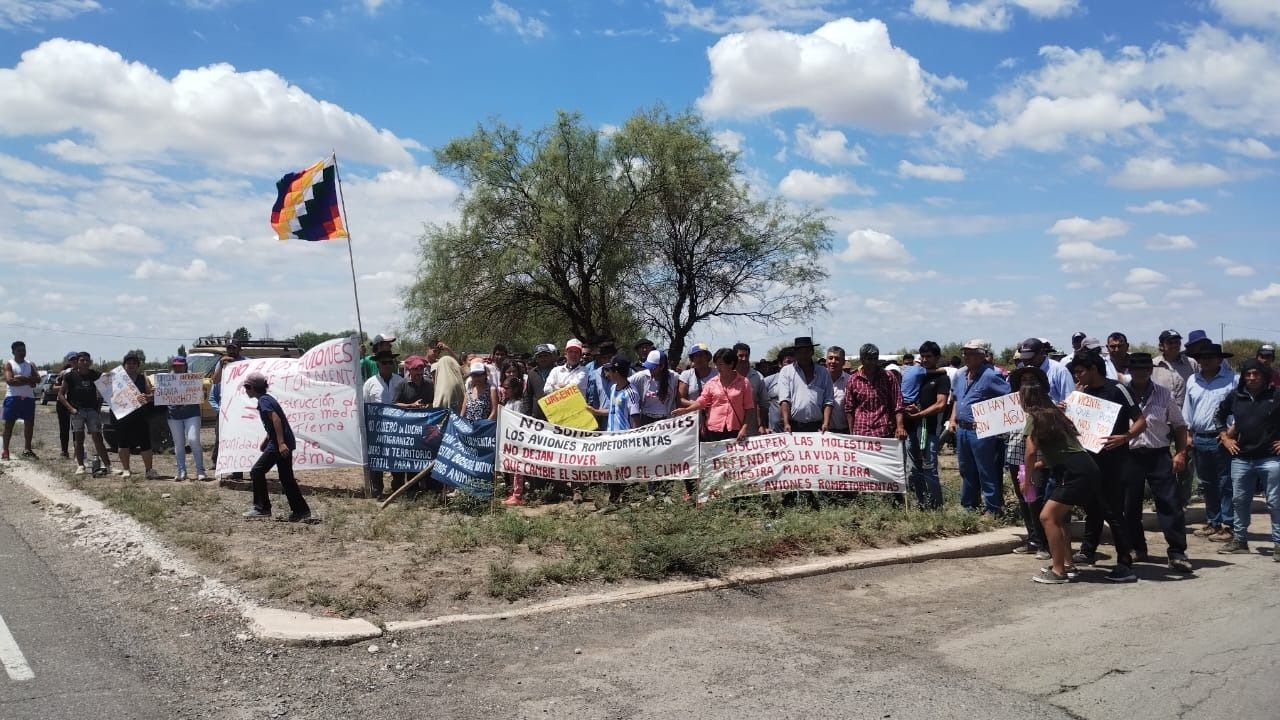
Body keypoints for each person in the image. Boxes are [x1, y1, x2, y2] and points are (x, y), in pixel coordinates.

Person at [1015, 366, 1098, 584]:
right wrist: (1043, 464)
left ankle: (1058, 571)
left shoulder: (1034, 417)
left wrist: (1028, 479)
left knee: (1047, 517)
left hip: (1074, 472)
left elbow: (1030, 452)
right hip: (1082, 467)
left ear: (1027, 400)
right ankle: (1068, 565)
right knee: (1058, 518)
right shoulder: (1054, 414)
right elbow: (1062, 450)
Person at [1068, 351, 1144, 583]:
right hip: (1090, 459)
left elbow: (1141, 421)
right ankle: (1087, 551)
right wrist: (1071, 404)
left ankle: (1124, 562)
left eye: (1080, 372)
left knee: (1112, 510)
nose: (1077, 376)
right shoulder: (1083, 393)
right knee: (1092, 507)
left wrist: (1125, 437)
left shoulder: (1117, 389)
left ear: (1094, 369)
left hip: (1114, 461)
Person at [1126, 353, 1192, 572]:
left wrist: (1180, 453)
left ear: (1150, 370)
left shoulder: (1164, 394)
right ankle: (1137, 548)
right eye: (1135, 368)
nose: (1140, 372)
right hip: (1130, 455)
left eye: (1145, 368)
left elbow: (1180, 426)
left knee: (1170, 504)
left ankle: (1177, 552)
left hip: (1158, 454)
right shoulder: (1121, 394)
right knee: (1129, 505)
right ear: (1130, 370)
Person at [1216, 359, 1280, 556]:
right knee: (1240, 500)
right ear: (1243, 376)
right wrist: (1225, 437)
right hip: (1241, 458)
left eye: (1256, 374)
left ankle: (1278, 544)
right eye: (1248, 374)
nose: (1252, 378)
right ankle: (1240, 541)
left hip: (1270, 458)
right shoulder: (1235, 396)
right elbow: (1219, 416)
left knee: (1275, 502)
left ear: (1264, 376)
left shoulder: (1276, 396)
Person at [676, 347, 756, 499]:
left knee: (732, 465)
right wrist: (685, 411)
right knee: (713, 466)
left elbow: (749, 409)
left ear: (732, 364)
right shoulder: (712, 383)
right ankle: (712, 497)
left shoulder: (744, 383)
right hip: (712, 430)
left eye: (722, 364)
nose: (718, 368)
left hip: (734, 430)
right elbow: (702, 402)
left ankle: (734, 498)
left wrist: (744, 429)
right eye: (717, 364)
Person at [947, 339, 1011, 515]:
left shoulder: (991, 375)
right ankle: (969, 506)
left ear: (982, 355)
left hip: (982, 430)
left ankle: (993, 508)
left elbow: (1008, 401)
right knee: (966, 469)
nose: (967, 357)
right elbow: (957, 399)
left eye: (972, 353)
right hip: (962, 429)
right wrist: (953, 419)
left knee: (986, 469)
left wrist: (990, 420)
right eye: (965, 353)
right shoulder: (960, 375)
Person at [240, 373, 313, 522]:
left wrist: (279, 443)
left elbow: (276, 419)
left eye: (247, 387)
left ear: (252, 388)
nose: (246, 390)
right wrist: (267, 440)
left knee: (257, 471)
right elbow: (273, 423)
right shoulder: (267, 399)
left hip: (280, 444)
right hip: (282, 441)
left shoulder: (264, 401)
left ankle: (262, 508)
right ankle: (301, 511)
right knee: (286, 478)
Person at [1184, 343, 1238, 542]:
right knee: (1207, 483)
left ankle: (1228, 524)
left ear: (1219, 359)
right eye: (1202, 357)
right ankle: (1213, 522)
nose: (1205, 360)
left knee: (1226, 482)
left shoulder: (1232, 380)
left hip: (1222, 437)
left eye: (1211, 357)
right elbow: (1187, 410)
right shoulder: (1193, 380)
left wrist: (1230, 433)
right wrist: (1188, 435)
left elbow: (1239, 409)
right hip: (1200, 437)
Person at [905, 341, 951, 510]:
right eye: (922, 356)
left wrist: (920, 414)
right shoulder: (919, 374)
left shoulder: (942, 378)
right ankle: (921, 502)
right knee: (914, 469)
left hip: (928, 430)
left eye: (929, 356)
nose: (925, 359)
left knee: (929, 467)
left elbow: (940, 404)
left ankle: (936, 506)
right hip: (911, 428)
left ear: (937, 357)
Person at [363, 349, 404, 498]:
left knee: (397, 456)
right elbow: (365, 407)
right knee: (377, 457)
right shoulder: (369, 384)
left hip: (397, 427)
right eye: (383, 362)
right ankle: (377, 488)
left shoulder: (400, 381)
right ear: (378, 364)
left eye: (389, 362)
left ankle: (398, 486)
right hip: (377, 429)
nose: (387, 365)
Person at [114, 353, 158, 479]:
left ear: (138, 365)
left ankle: (149, 470)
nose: (131, 365)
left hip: (140, 415)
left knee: (145, 443)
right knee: (122, 443)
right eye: (129, 363)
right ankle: (126, 469)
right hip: (122, 415)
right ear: (124, 365)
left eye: (134, 363)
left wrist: (148, 397)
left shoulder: (143, 378)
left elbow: (151, 396)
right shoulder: (117, 379)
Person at [778, 337, 834, 433]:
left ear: (812, 352)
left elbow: (828, 401)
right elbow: (784, 400)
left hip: (818, 427)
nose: (803, 355)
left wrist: (826, 423)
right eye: (800, 352)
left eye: (806, 352)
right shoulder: (786, 371)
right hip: (794, 427)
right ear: (795, 354)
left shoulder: (823, 372)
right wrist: (786, 423)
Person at [165, 357, 208, 481]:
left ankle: (200, 470)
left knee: (193, 439)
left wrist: (202, 393)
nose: (178, 368)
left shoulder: (194, 379)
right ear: (172, 366)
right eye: (176, 366)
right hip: (173, 415)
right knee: (178, 443)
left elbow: (203, 397)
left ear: (185, 366)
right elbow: (160, 396)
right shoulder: (166, 380)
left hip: (192, 414)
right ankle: (181, 471)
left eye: (180, 365)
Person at [3, 340, 40, 460]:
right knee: (9, 425)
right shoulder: (9, 364)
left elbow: (38, 379)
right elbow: (10, 381)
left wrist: (22, 378)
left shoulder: (30, 364)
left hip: (28, 398)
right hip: (12, 398)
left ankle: (27, 449)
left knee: (29, 424)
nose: (22, 352)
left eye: (23, 350)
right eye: (19, 350)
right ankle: (5, 450)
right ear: (13, 351)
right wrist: (29, 381)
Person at [629, 350, 681, 426]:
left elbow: (685, 383)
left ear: (662, 366)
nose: (650, 370)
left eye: (652, 368)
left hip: (665, 420)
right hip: (646, 419)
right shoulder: (642, 376)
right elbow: (625, 383)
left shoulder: (673, 377)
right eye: (648, 366)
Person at [54, 352, 77, 459]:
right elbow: (54, 388)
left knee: (76, 428)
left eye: (76, 359)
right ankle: (64, 451)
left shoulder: (81, 373)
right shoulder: (64, 373)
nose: (74, 361)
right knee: (64, 428)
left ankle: (78, 451)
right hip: (62, 402)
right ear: (69, 361)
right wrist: (67, 387)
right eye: (72, 359)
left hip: (74, 402)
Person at [825, 346, 851, 434]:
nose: (833, 362)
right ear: (826, 361)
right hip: (823, 433)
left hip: (844, 432)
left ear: (843, 362)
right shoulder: (818, 379)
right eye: (830, 358)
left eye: (837, 359)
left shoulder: (850, 381)